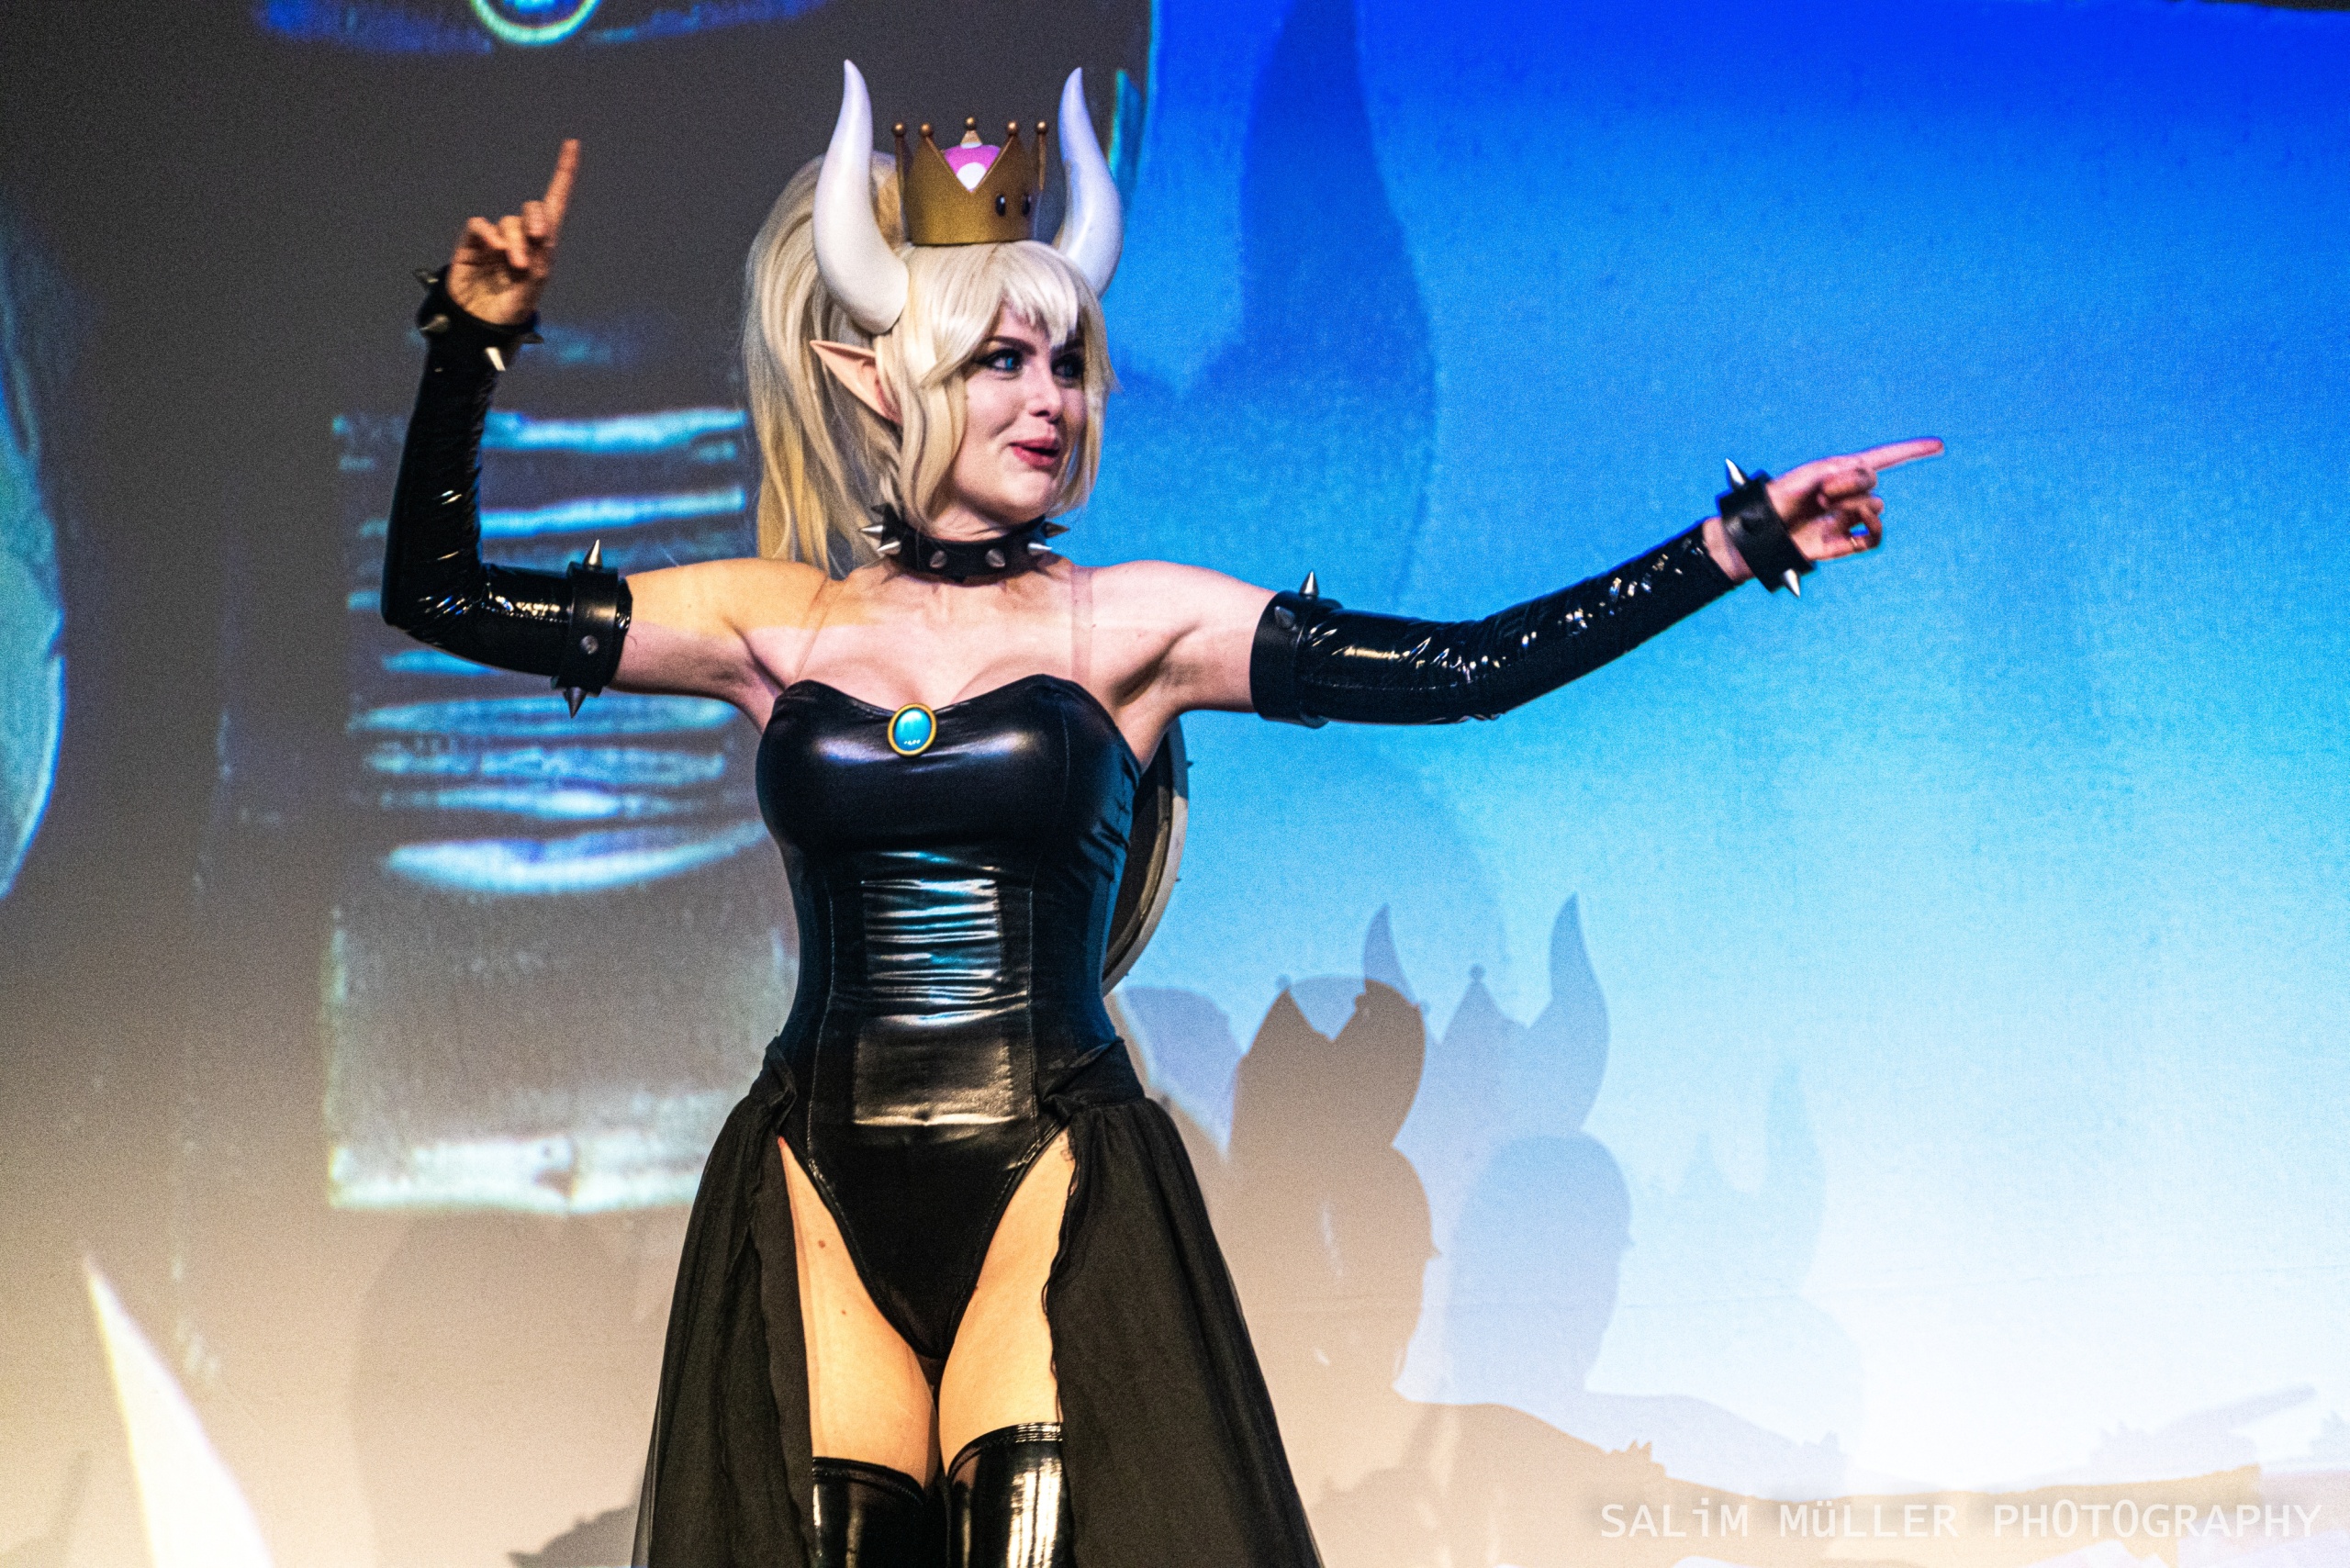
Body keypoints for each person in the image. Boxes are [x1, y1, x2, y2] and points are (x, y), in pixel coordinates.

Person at [380, 62, 1939, 1568]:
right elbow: (439, 596)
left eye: (1069, 363)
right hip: (818, 1166)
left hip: (1047, 1163)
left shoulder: (1136, 624)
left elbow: (1469, 672)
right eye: (1001, 363)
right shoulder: (776, 621)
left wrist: (1734, 544)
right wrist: (472, 342)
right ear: (880, 378)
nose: (1050, 399)